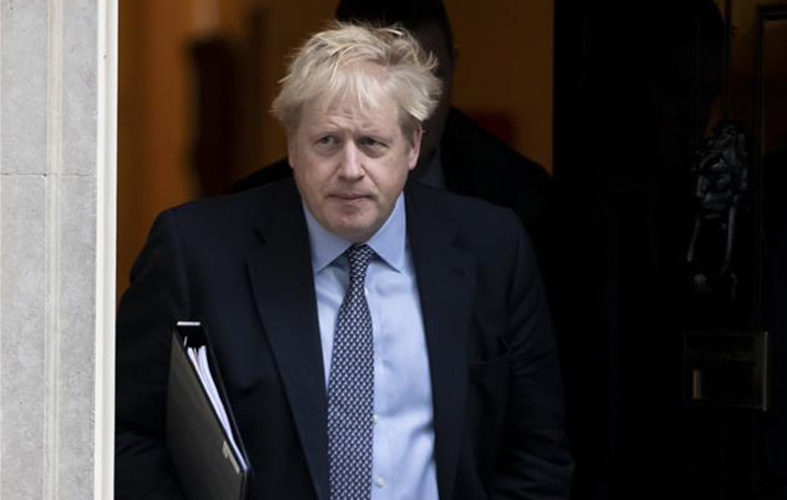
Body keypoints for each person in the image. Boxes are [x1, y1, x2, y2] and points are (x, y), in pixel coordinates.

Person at [116, 22, 572, 500]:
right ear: (293, 145)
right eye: (327, 142)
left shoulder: (492, 250)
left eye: (372, 143)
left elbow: (537, 455)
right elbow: (122, 430)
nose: (350, 170)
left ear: (413, 145)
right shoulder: (196, 252)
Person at [232, 0, 552, 270]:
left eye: (429, 78)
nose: (412, 107)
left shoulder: (519, 204)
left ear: (454, 64)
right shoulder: (244, 218)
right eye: (377, 81)